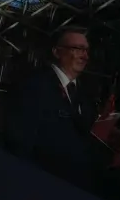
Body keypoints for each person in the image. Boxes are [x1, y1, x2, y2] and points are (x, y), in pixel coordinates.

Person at [12, 27, 104, 189]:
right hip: (42, 187)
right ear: (56, 51)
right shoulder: (34, 87)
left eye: (86, 50)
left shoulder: (84, 94)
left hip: (78, 189)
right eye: (77, 49)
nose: (85, 56)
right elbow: (20, 144)